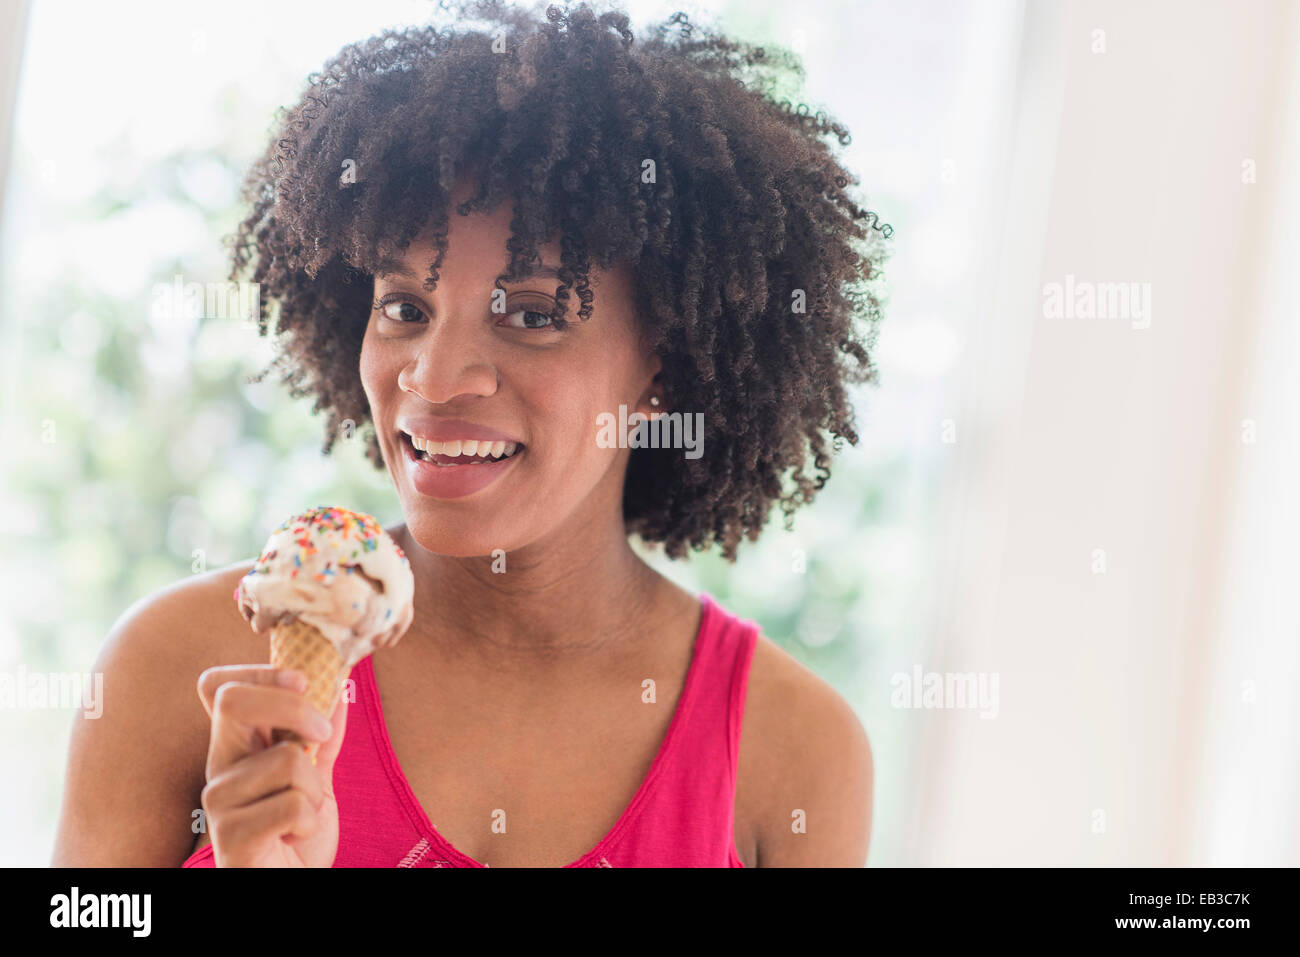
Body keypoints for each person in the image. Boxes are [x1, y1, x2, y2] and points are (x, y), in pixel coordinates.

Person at [52, 0, 885, 867]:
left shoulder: (794, 756)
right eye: (406, 308)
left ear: (664, 372)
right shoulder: (185, 667)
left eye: (531, 314)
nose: (435, 378)